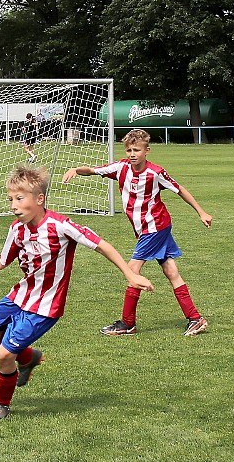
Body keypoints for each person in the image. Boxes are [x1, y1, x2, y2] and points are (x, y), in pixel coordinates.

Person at [0, 166, 154, 419]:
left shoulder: (61, 226)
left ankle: (0, 404)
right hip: (21, 295)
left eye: (19, 198)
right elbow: (3, 260)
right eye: (11, 199)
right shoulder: (17, 229)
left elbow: (101, 245)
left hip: (45, 306)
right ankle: (28, 358)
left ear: (39, 199)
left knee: (5, 354)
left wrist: (130, 274)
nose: (14, 205)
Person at [62, 128, 213, 337]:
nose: (132, 154)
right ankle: (195, 318)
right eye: (128, 150)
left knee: (132, 271)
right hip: (146, 229)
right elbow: (94, 170)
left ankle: (127, 323)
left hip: (155, 227)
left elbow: (180, 189)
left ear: (147, 150)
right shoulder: (120, 168)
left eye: (136, 150)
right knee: (171, 271)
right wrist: (77, 170)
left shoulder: (155, 173)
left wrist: (201, 212)